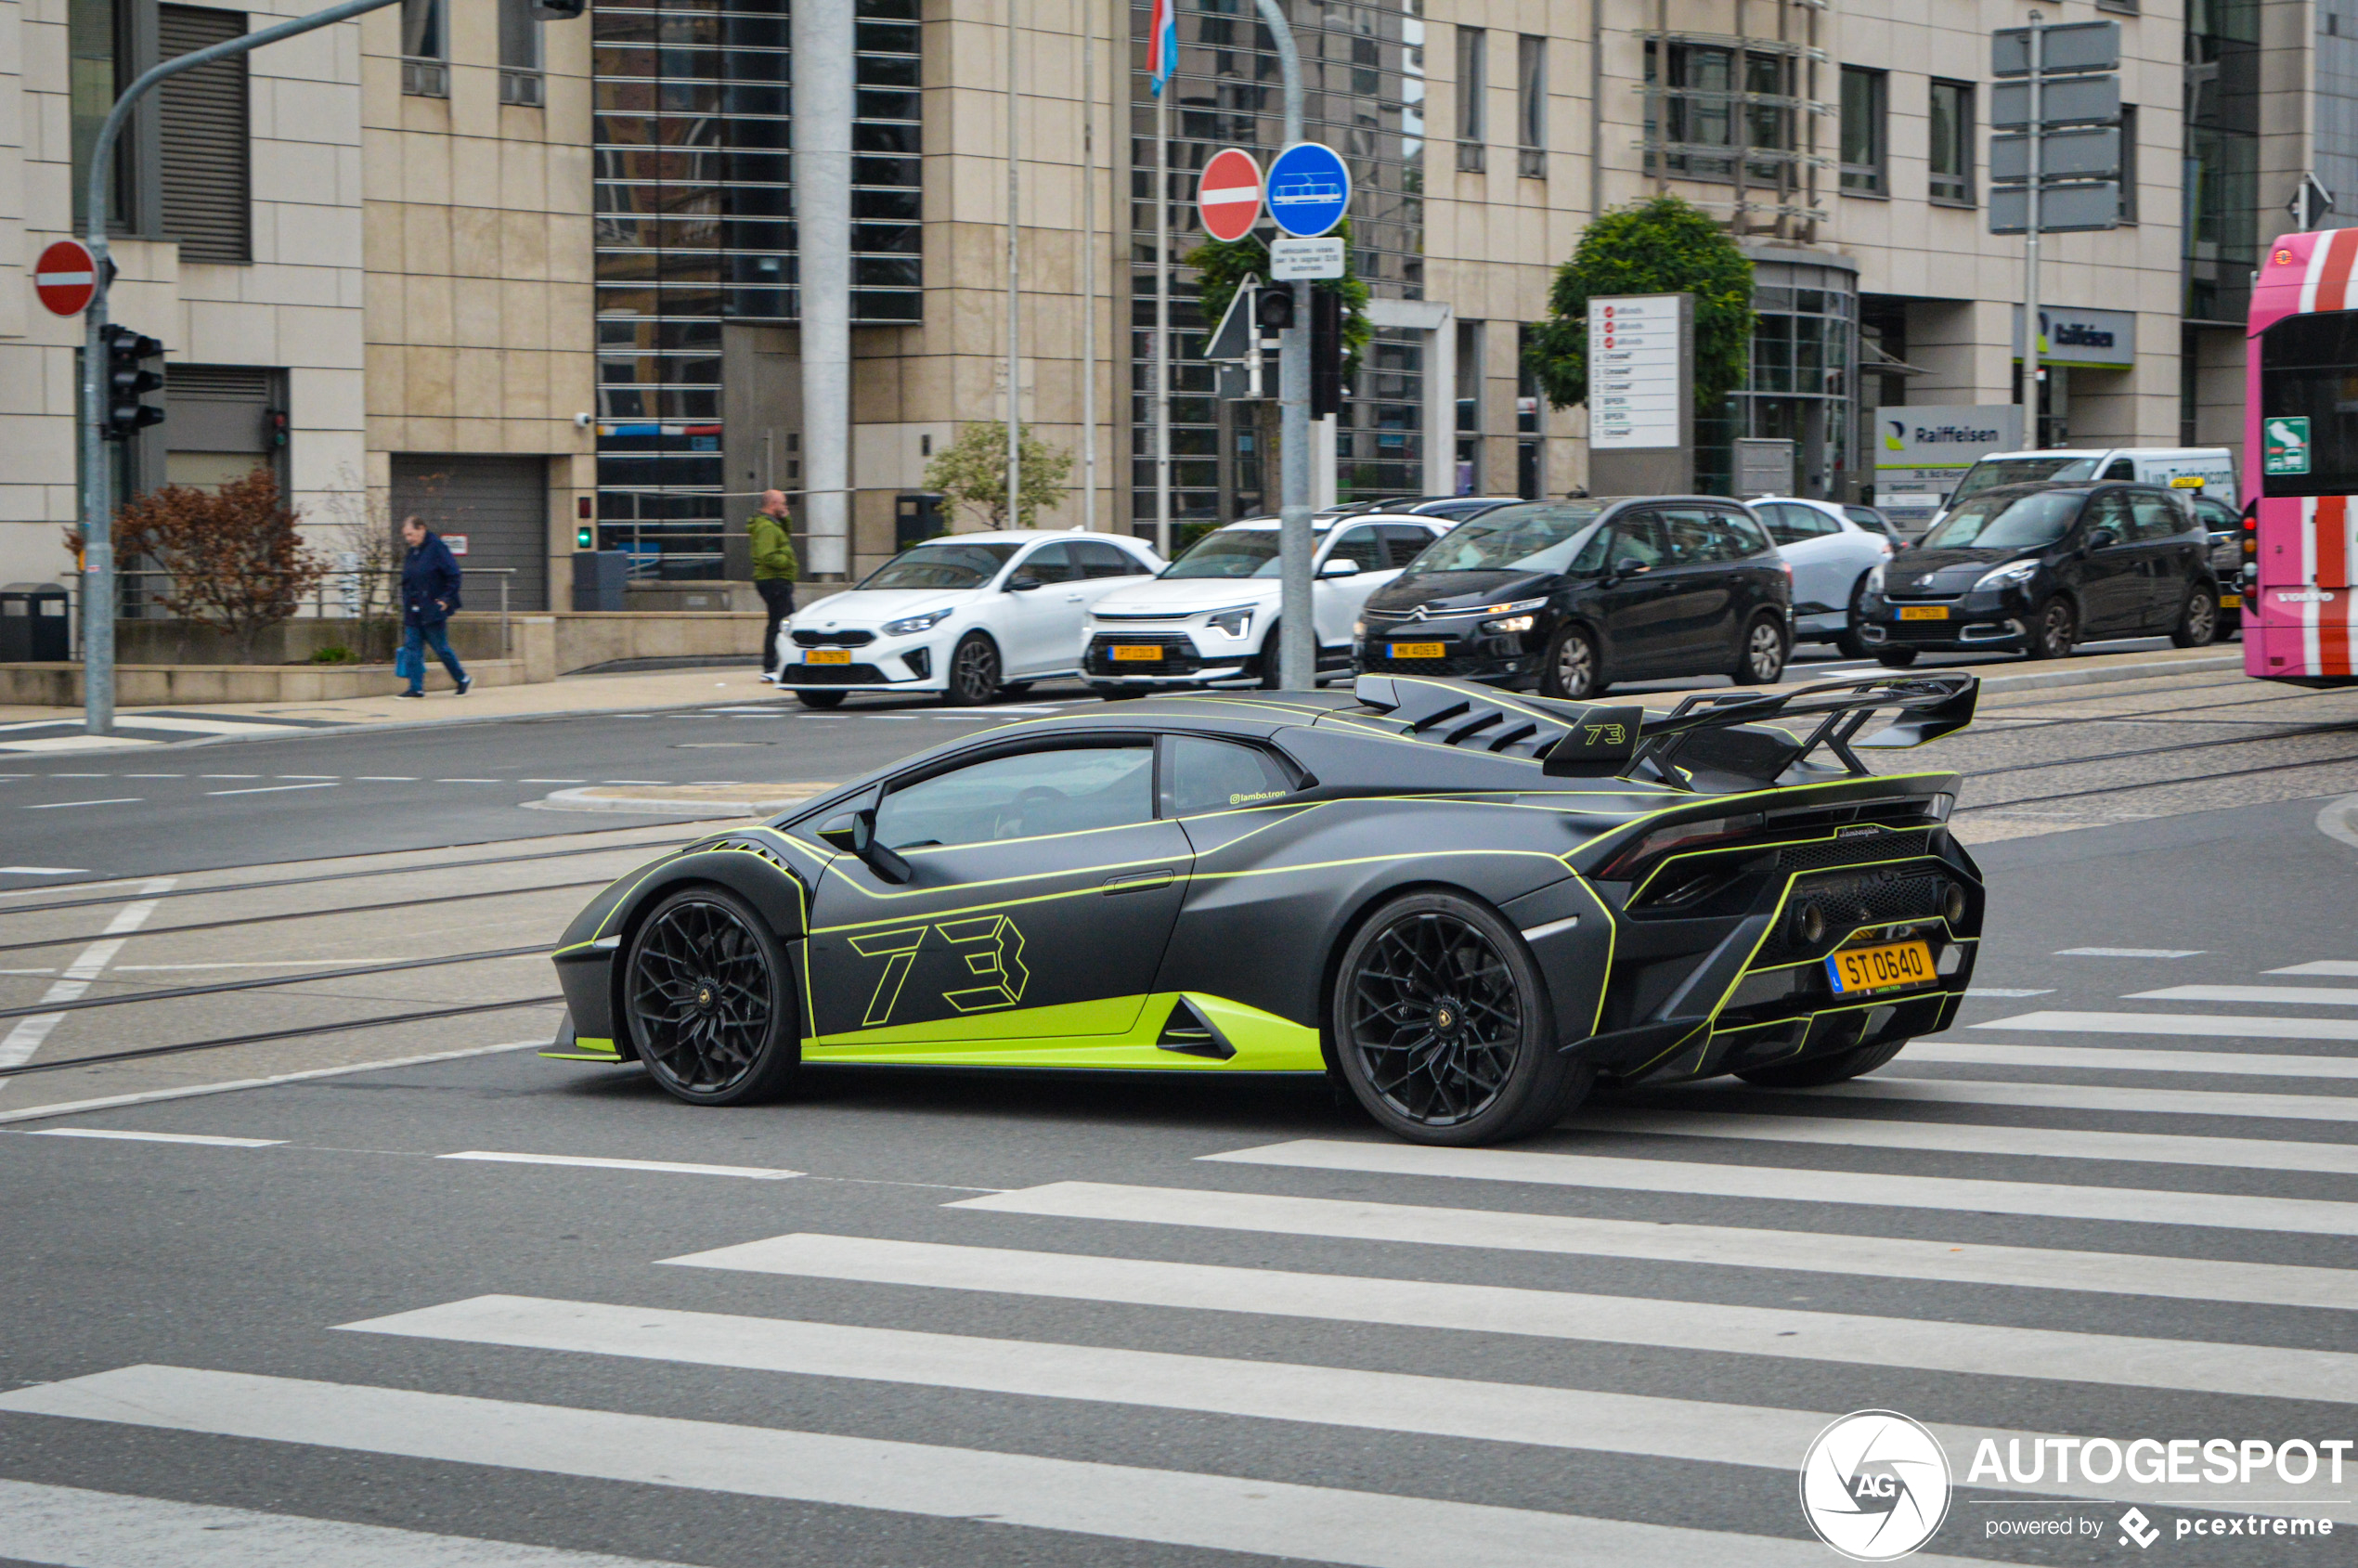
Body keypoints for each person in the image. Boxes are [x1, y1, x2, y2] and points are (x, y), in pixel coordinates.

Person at [396, 514, 470, 699]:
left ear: (422, 529)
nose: (408, 539)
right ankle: (416, 687)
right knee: (412, 647)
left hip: (432, 608)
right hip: (413, 608)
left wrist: (445, 599)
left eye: (411, 534)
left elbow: (454, 575)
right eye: (406, 535)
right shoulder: (413, 552)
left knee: (440, 648)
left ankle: (462, 678)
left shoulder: (437, 548)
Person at [747, 488, 800, 681]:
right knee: (779, 624)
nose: (786, 507)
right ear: (773, 505)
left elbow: (784, 536)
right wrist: (787, 560)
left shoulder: (772, 525)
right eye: (783, 503)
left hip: (776, 580)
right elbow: (767, 555)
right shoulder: (767, 528)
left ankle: (782, 664)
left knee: (785, 623)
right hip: (774, 580)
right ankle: (770, 668)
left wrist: (785, 519)